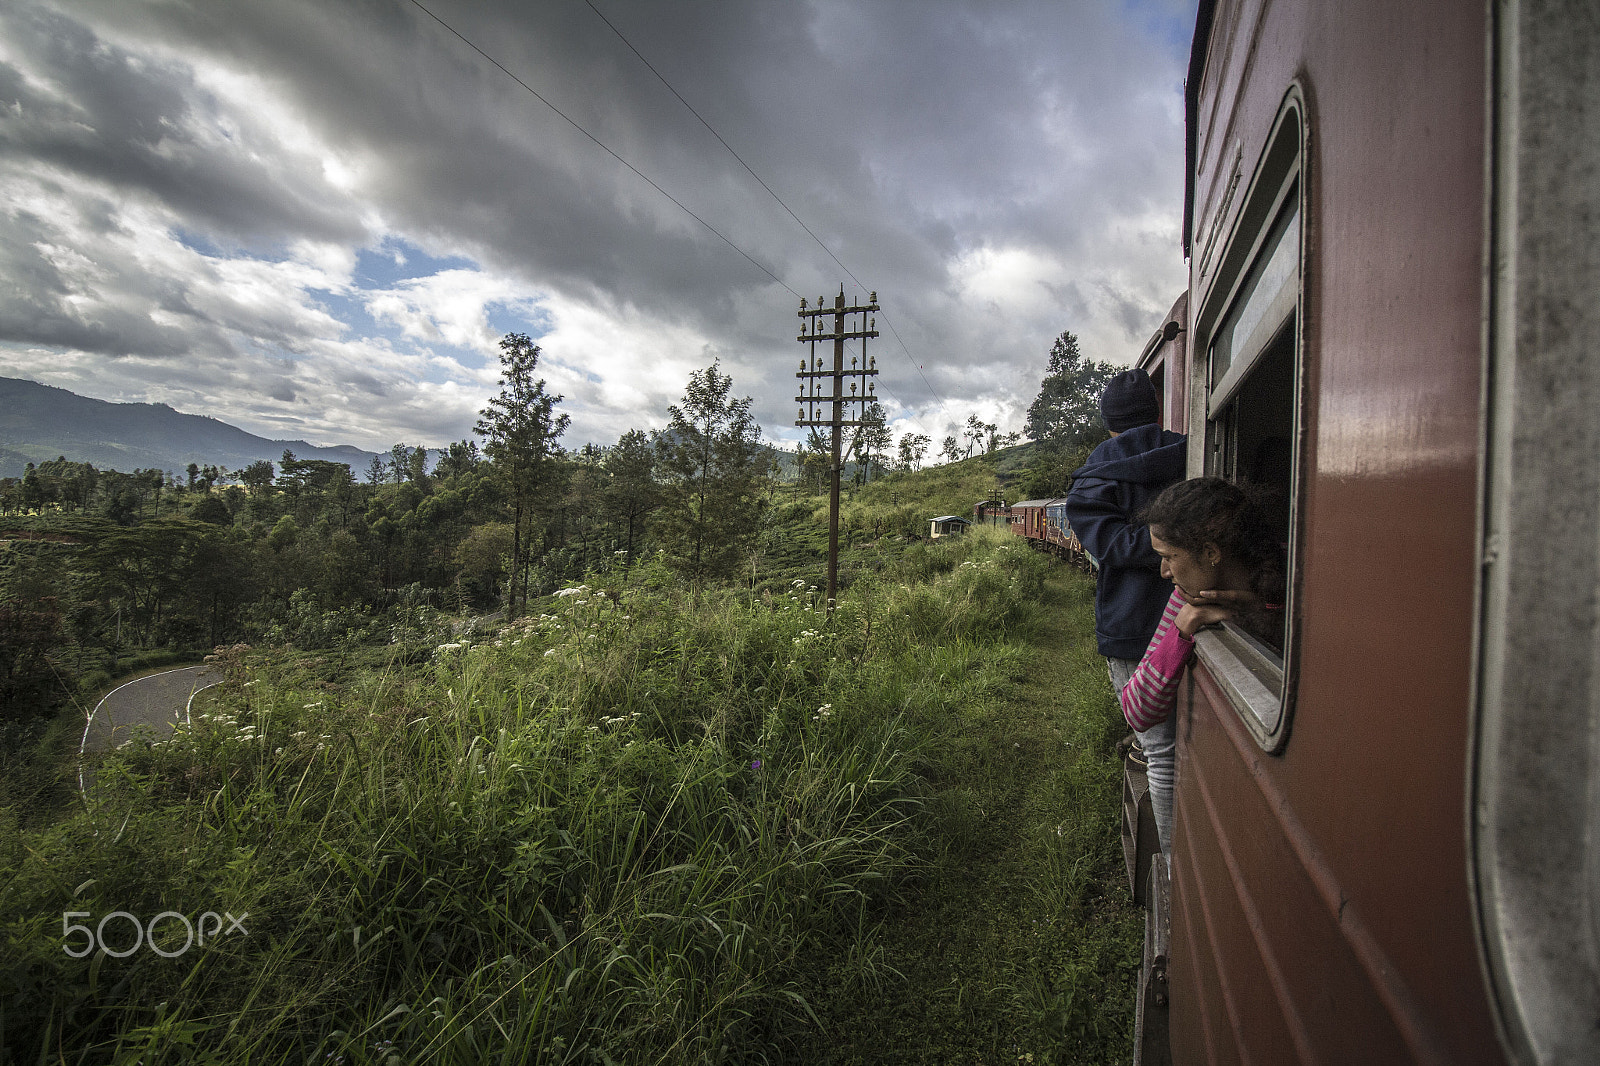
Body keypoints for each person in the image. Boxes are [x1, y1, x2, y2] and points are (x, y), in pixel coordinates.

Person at [1119, 477, 1285, 853]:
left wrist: (1263, 612)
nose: (1163, 572)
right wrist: (1181, 630)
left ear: (1211, 553)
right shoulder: (1185, 603)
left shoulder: (1287, 595)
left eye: (1168, 556)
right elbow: (1137, 709)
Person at [1065, 368, 1187, 706]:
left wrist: (1161, 544)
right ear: (1155, 411)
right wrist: (1185, 542)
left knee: (1156, 744)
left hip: (1132, 625)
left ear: (1108, 422)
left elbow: (1111, 545)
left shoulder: (1094, 476)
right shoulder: (1194, 454)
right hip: (1196, 617)